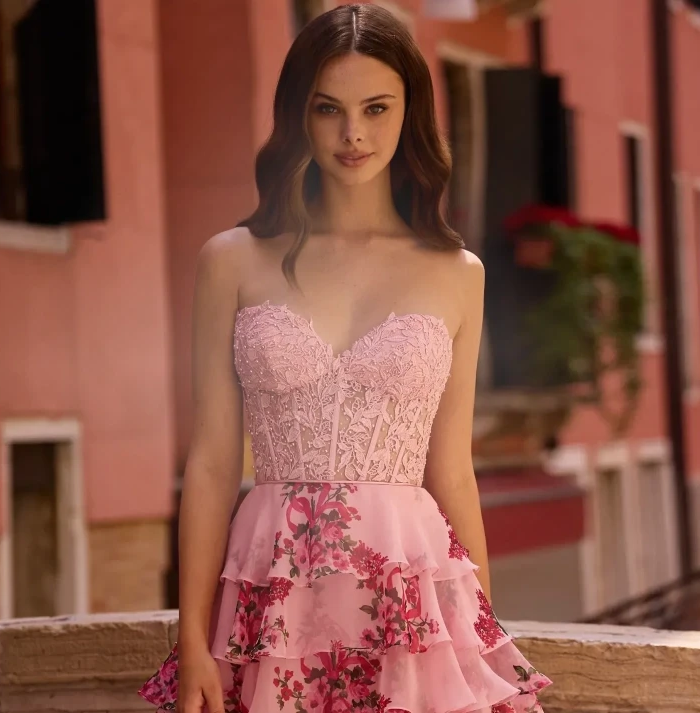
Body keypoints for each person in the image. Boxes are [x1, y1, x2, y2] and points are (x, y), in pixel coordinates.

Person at [139, 5, 551, 712]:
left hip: (408, 601)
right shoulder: (231, 261)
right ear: (299, 115)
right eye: (328, 109)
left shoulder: (458, 272)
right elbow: (210, 462)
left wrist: (481, 641)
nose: (353, 134)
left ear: (410, 113)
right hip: (270, 602)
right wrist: (193, 636)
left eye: (376, 108)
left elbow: (451, 469)